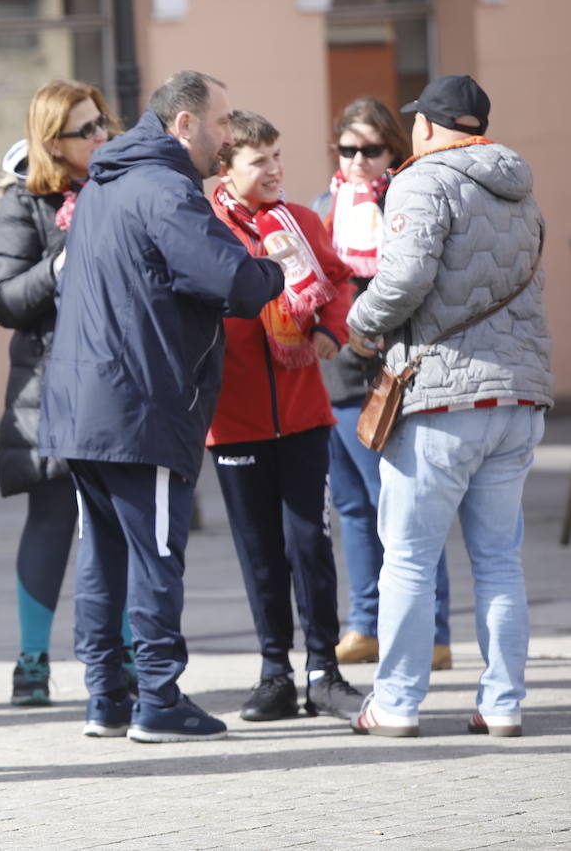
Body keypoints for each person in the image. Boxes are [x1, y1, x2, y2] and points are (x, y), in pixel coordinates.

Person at [39, 71, 285, 742]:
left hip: (87, 405)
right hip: (138, 404)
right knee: (152, 554)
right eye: (222, 121)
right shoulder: (164, 187)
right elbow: (228, 276)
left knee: (105, 556)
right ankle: (158, 701)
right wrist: (274, 265)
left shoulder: (106, 183)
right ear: (183, 125)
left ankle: (106, 700)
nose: (229, 135)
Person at [348, 75, 551, 738]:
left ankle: (397, 705)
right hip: (519, 395)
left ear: (430, 127)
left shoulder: (421, 179)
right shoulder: (521, 191)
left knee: (407, 555)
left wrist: (359, 319)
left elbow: (404, 277)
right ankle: (502, 705)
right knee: (498, 559)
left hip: (442, 397)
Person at [206, 111, 364, 722]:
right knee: (259, 550)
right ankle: (275, 673)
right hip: (235, 419)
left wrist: (329, 327)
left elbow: (339, 279)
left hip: (303, 412)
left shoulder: (300, 220)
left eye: (277, 157)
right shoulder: (206, 228)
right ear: (226, 168)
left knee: (309, 543)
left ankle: (323, 670)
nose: (274, 171)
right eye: (258, 161)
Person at [0, 80, 135, 712]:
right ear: (53, 142)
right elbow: (5, 300)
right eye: (87, 129)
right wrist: (60, 265)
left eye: (103, 123)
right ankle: (32, 662)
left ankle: (126, 653)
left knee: (120, 522)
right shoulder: (25, 202)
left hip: (120, 382)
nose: (102, 136)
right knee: (51, 520)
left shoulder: (124, 188)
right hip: (50, 386)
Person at [312, 98, 452, 672]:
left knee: (402, 509)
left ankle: (436, 632)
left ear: (394, 151)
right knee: (351, 507)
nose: (359, 161)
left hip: (389, 379)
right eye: (349, 150)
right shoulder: (325, 207)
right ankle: (365, 625)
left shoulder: (405, 202)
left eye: (372, 150)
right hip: (332, 378)